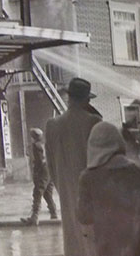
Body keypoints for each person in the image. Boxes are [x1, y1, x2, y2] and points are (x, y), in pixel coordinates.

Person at [77, 121, 140, 256]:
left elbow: (84, 217)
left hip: (108, 249)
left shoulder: (87, 178)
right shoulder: (138, 172)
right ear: (119, 142)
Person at [45, 77, 102, 256]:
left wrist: (61, 186)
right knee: (93, 240)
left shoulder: (52, 125)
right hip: (92, 192)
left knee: (72, 238)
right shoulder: (94, 122)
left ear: (69, 98)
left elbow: (50, 165)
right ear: (86, 100)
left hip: (65, 190)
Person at [20, 127, 58, 225]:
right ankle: (54, 213)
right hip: (49, 170)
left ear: (33, 137)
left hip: (42, 171)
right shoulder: (45, 145)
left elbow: (39, 161)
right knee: (47, 193)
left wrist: (36, 172)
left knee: (37, 192)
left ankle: (35, 216)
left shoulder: (35, 146)